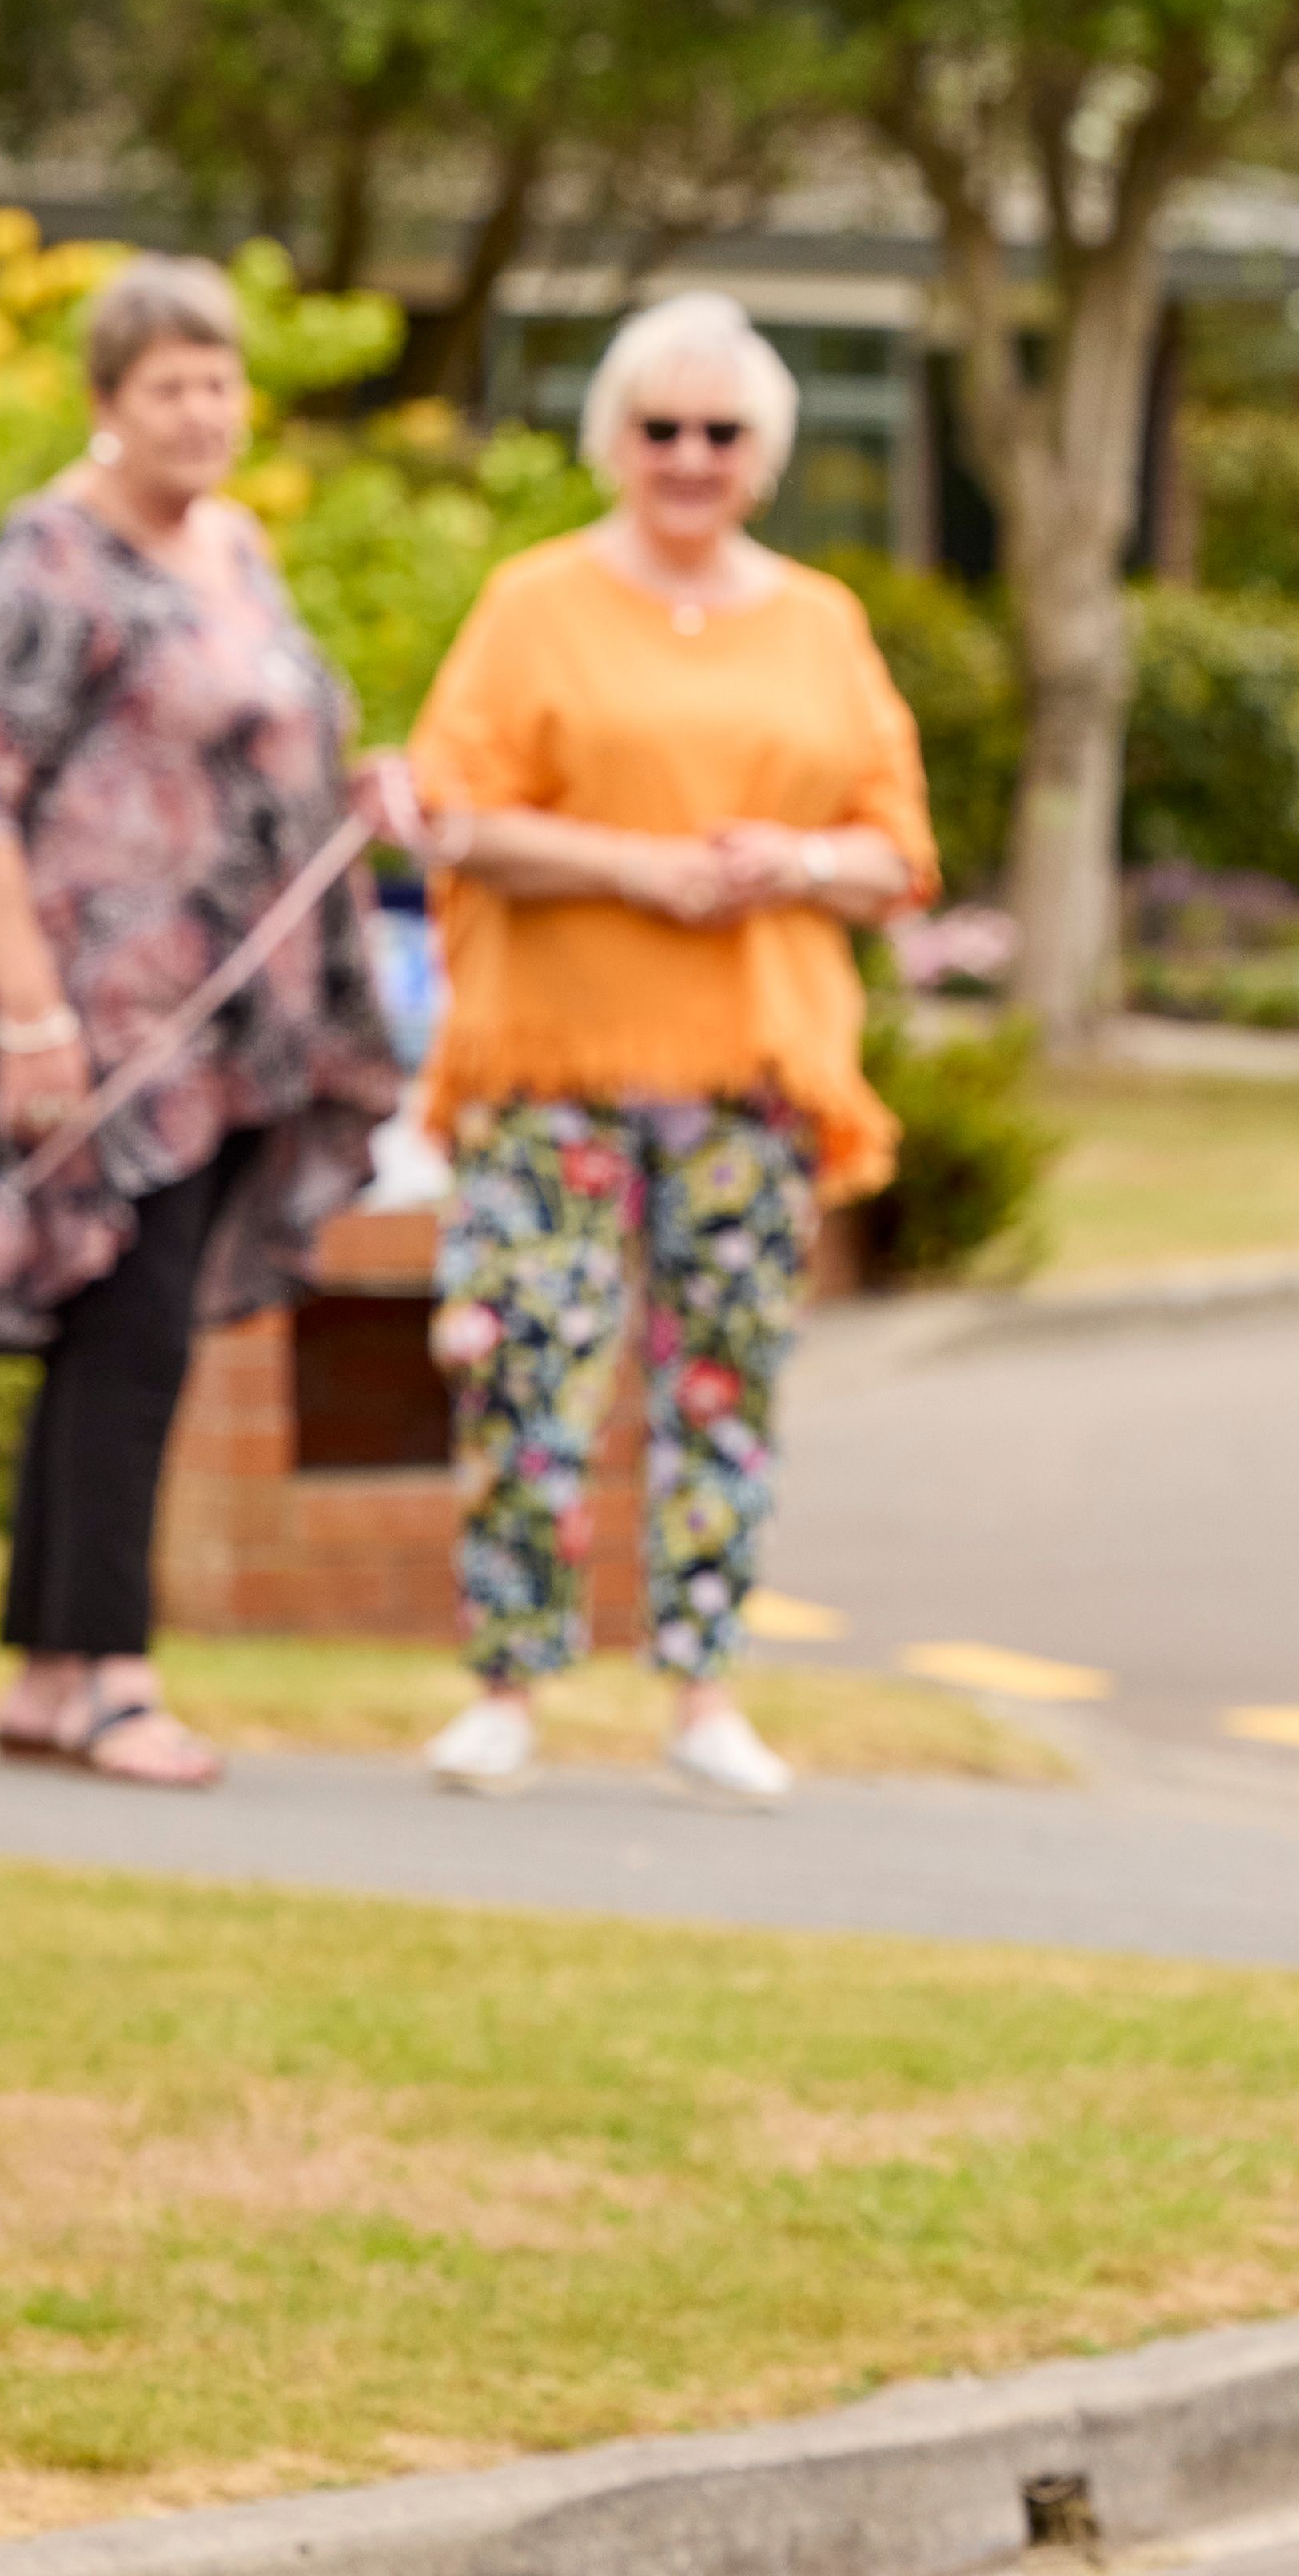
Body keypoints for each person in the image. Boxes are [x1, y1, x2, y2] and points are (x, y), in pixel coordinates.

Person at [392, 291, 933, 1805]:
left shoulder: (820, 619)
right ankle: (508, 1683)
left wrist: (792, 865)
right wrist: (633, 868)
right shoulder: (534, 601)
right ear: (612, 439)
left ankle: (701, 1690)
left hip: (748, 1075)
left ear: (762, 453)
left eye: (721, 431)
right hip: (554, 1066)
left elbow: (896, 851)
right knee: (527, 1373)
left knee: (725, 1383)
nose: (689, 455)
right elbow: (457, 812)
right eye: (659, 427)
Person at [0, 253, 403, 1791]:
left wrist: (358, 784)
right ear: (104, 405)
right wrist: (32, 1016)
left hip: (222, 1012)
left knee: (120, 1326)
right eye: (168, 387)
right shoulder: (47, 562)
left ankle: (55, 1671)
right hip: (88, 1008)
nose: (203, 413)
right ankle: (117, 1676)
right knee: (121, 1324)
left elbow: (257, 741)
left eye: (220, 382)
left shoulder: (236, 547)